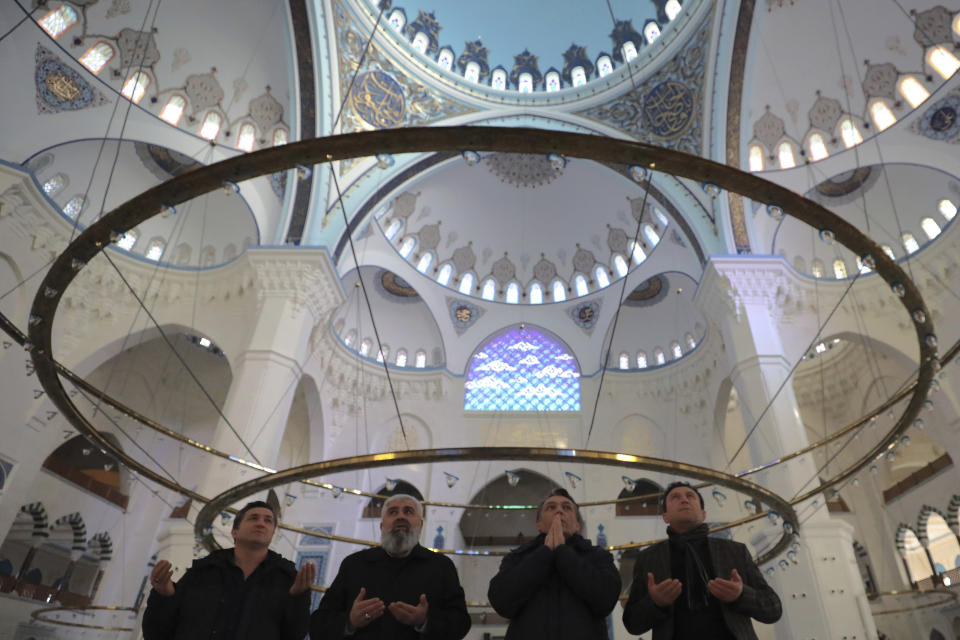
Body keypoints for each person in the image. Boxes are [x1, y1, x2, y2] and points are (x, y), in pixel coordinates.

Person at [622, 482, 782, 640]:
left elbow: (773, 608)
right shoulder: (649, 558)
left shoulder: (734, 551)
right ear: (665, 516)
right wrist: (655, 603)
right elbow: (632, 624)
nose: (684, 500)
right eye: (675, 497)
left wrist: (740, 595)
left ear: (703, 513)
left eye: (690, 496)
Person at [142, 500, 314, 640]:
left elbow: (294, 634)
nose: (261, 523)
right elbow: (158, 632)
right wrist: (164, 596)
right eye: (253, 518)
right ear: (235, 532)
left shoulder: (286, 578)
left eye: (268, 520)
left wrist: (298, 599)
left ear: (272, 534)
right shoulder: (204, 572)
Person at [310, 493, 471, 639]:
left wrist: (424, 621)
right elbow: (318, 624)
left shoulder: (441, 566)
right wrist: (350, 621)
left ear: (420, 525)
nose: (400, 516)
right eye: (393, 512)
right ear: (382, 526)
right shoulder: (354, 565)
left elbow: (461, 623)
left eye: (408, 511)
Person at [488, 488, 621, 640]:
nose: (559, 511)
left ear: (577, 525)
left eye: (566, 508)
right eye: (551, 507)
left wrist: (562, 553)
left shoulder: (597, 556)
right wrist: (544, 554)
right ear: (538, 524)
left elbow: (606, 599)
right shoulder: (519, 556)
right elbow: (501, 600)